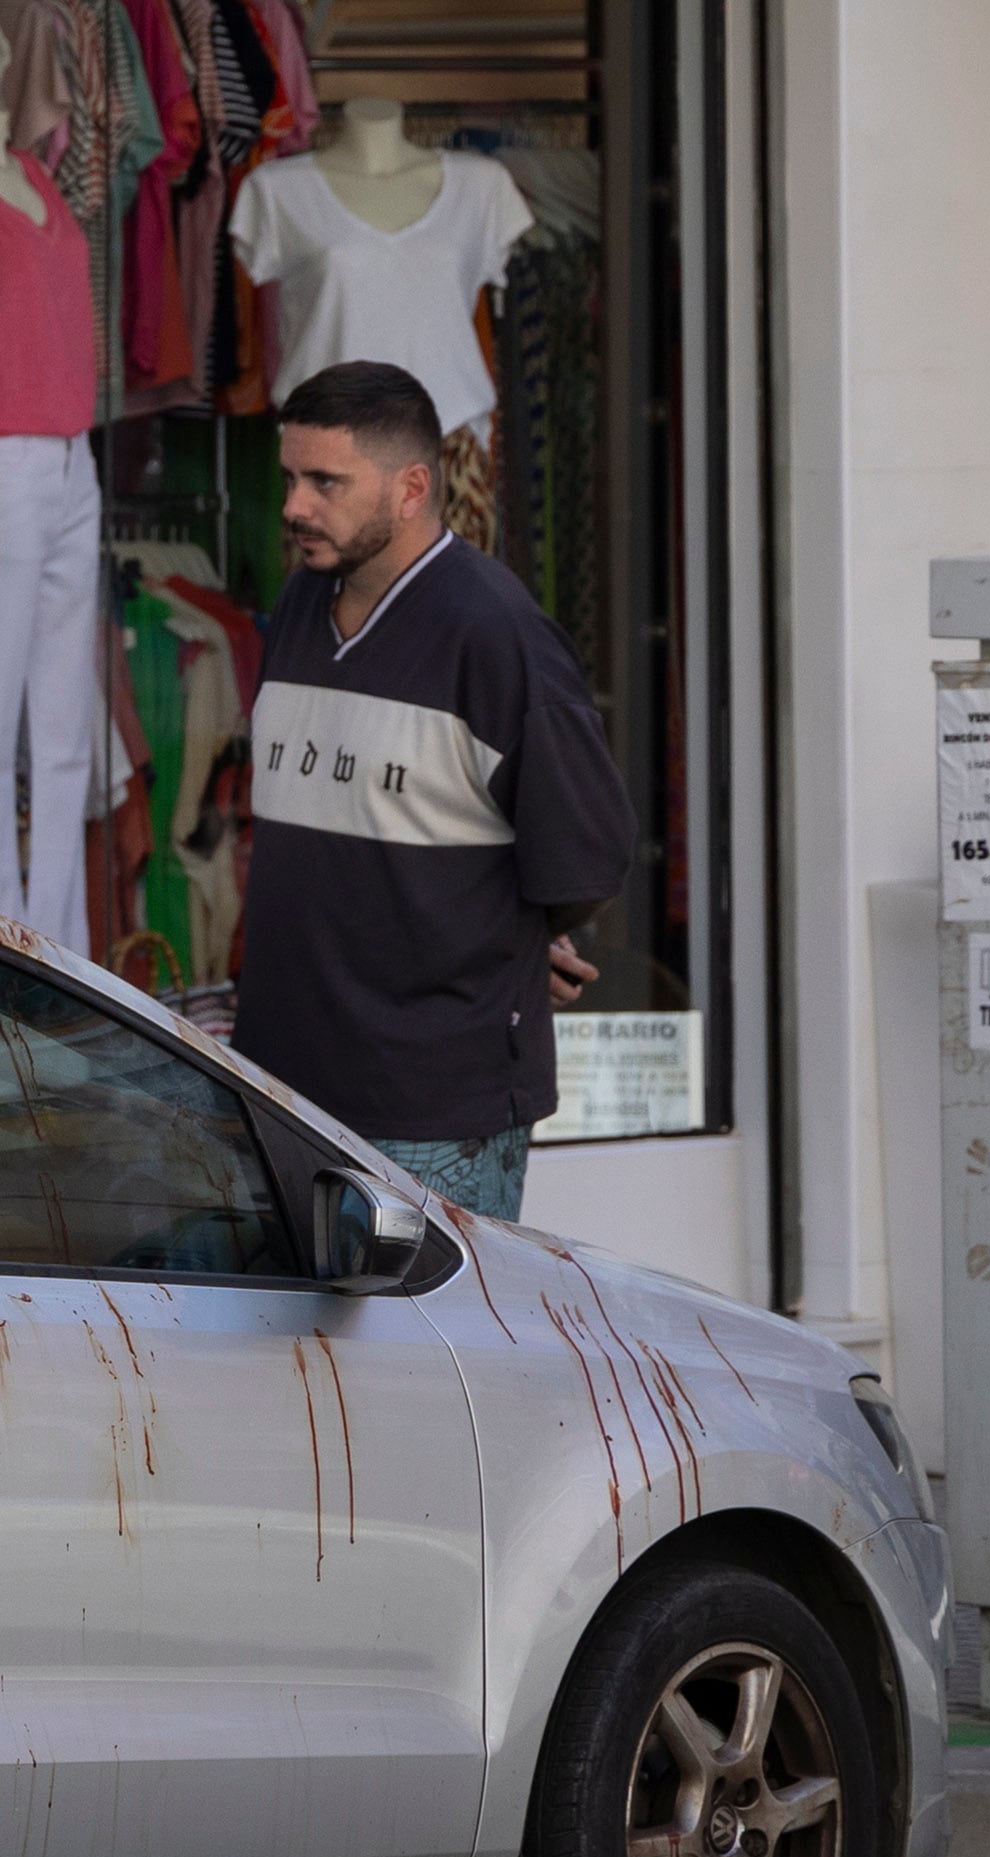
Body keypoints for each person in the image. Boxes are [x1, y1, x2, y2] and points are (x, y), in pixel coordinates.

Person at [229, 361, 631, 1223]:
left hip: (430, 1116)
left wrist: (514, 944)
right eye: (289, 479)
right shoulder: (301, 603)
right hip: (275, 1087)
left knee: (428, 1361)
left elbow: (584, 861)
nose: (295, 505)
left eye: (324, 481)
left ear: (411, 486)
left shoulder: (496, 636)